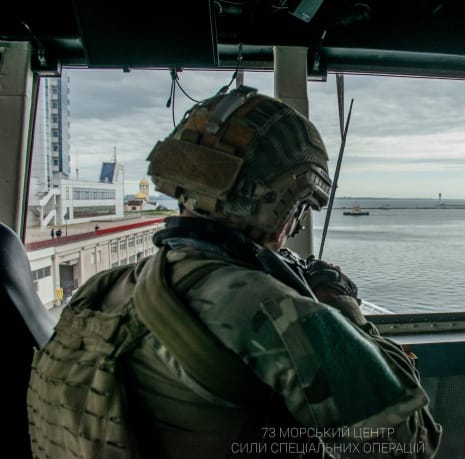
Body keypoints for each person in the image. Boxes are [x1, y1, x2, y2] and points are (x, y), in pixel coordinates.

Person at [27, 86, 441, 458]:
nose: (295, 226)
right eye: (300, 208)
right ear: (284, 204)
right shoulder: (270, 310)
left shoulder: (101, 290)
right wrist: (344, 310)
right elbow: (410, 444)